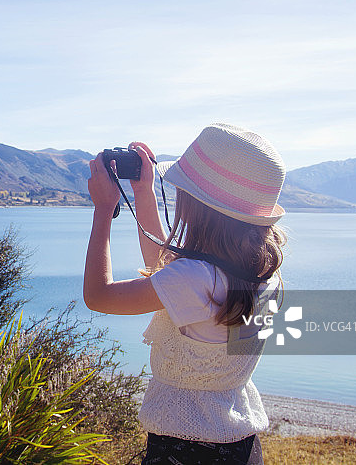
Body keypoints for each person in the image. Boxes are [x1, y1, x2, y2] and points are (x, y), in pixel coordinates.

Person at [84, 123, 287, 465]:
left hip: (183, 451)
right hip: (239, 447)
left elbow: (99, 296)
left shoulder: (194, 278)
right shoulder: (258, 274)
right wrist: (143, 192)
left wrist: (104, 209)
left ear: (198, 205)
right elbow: (167, 272)